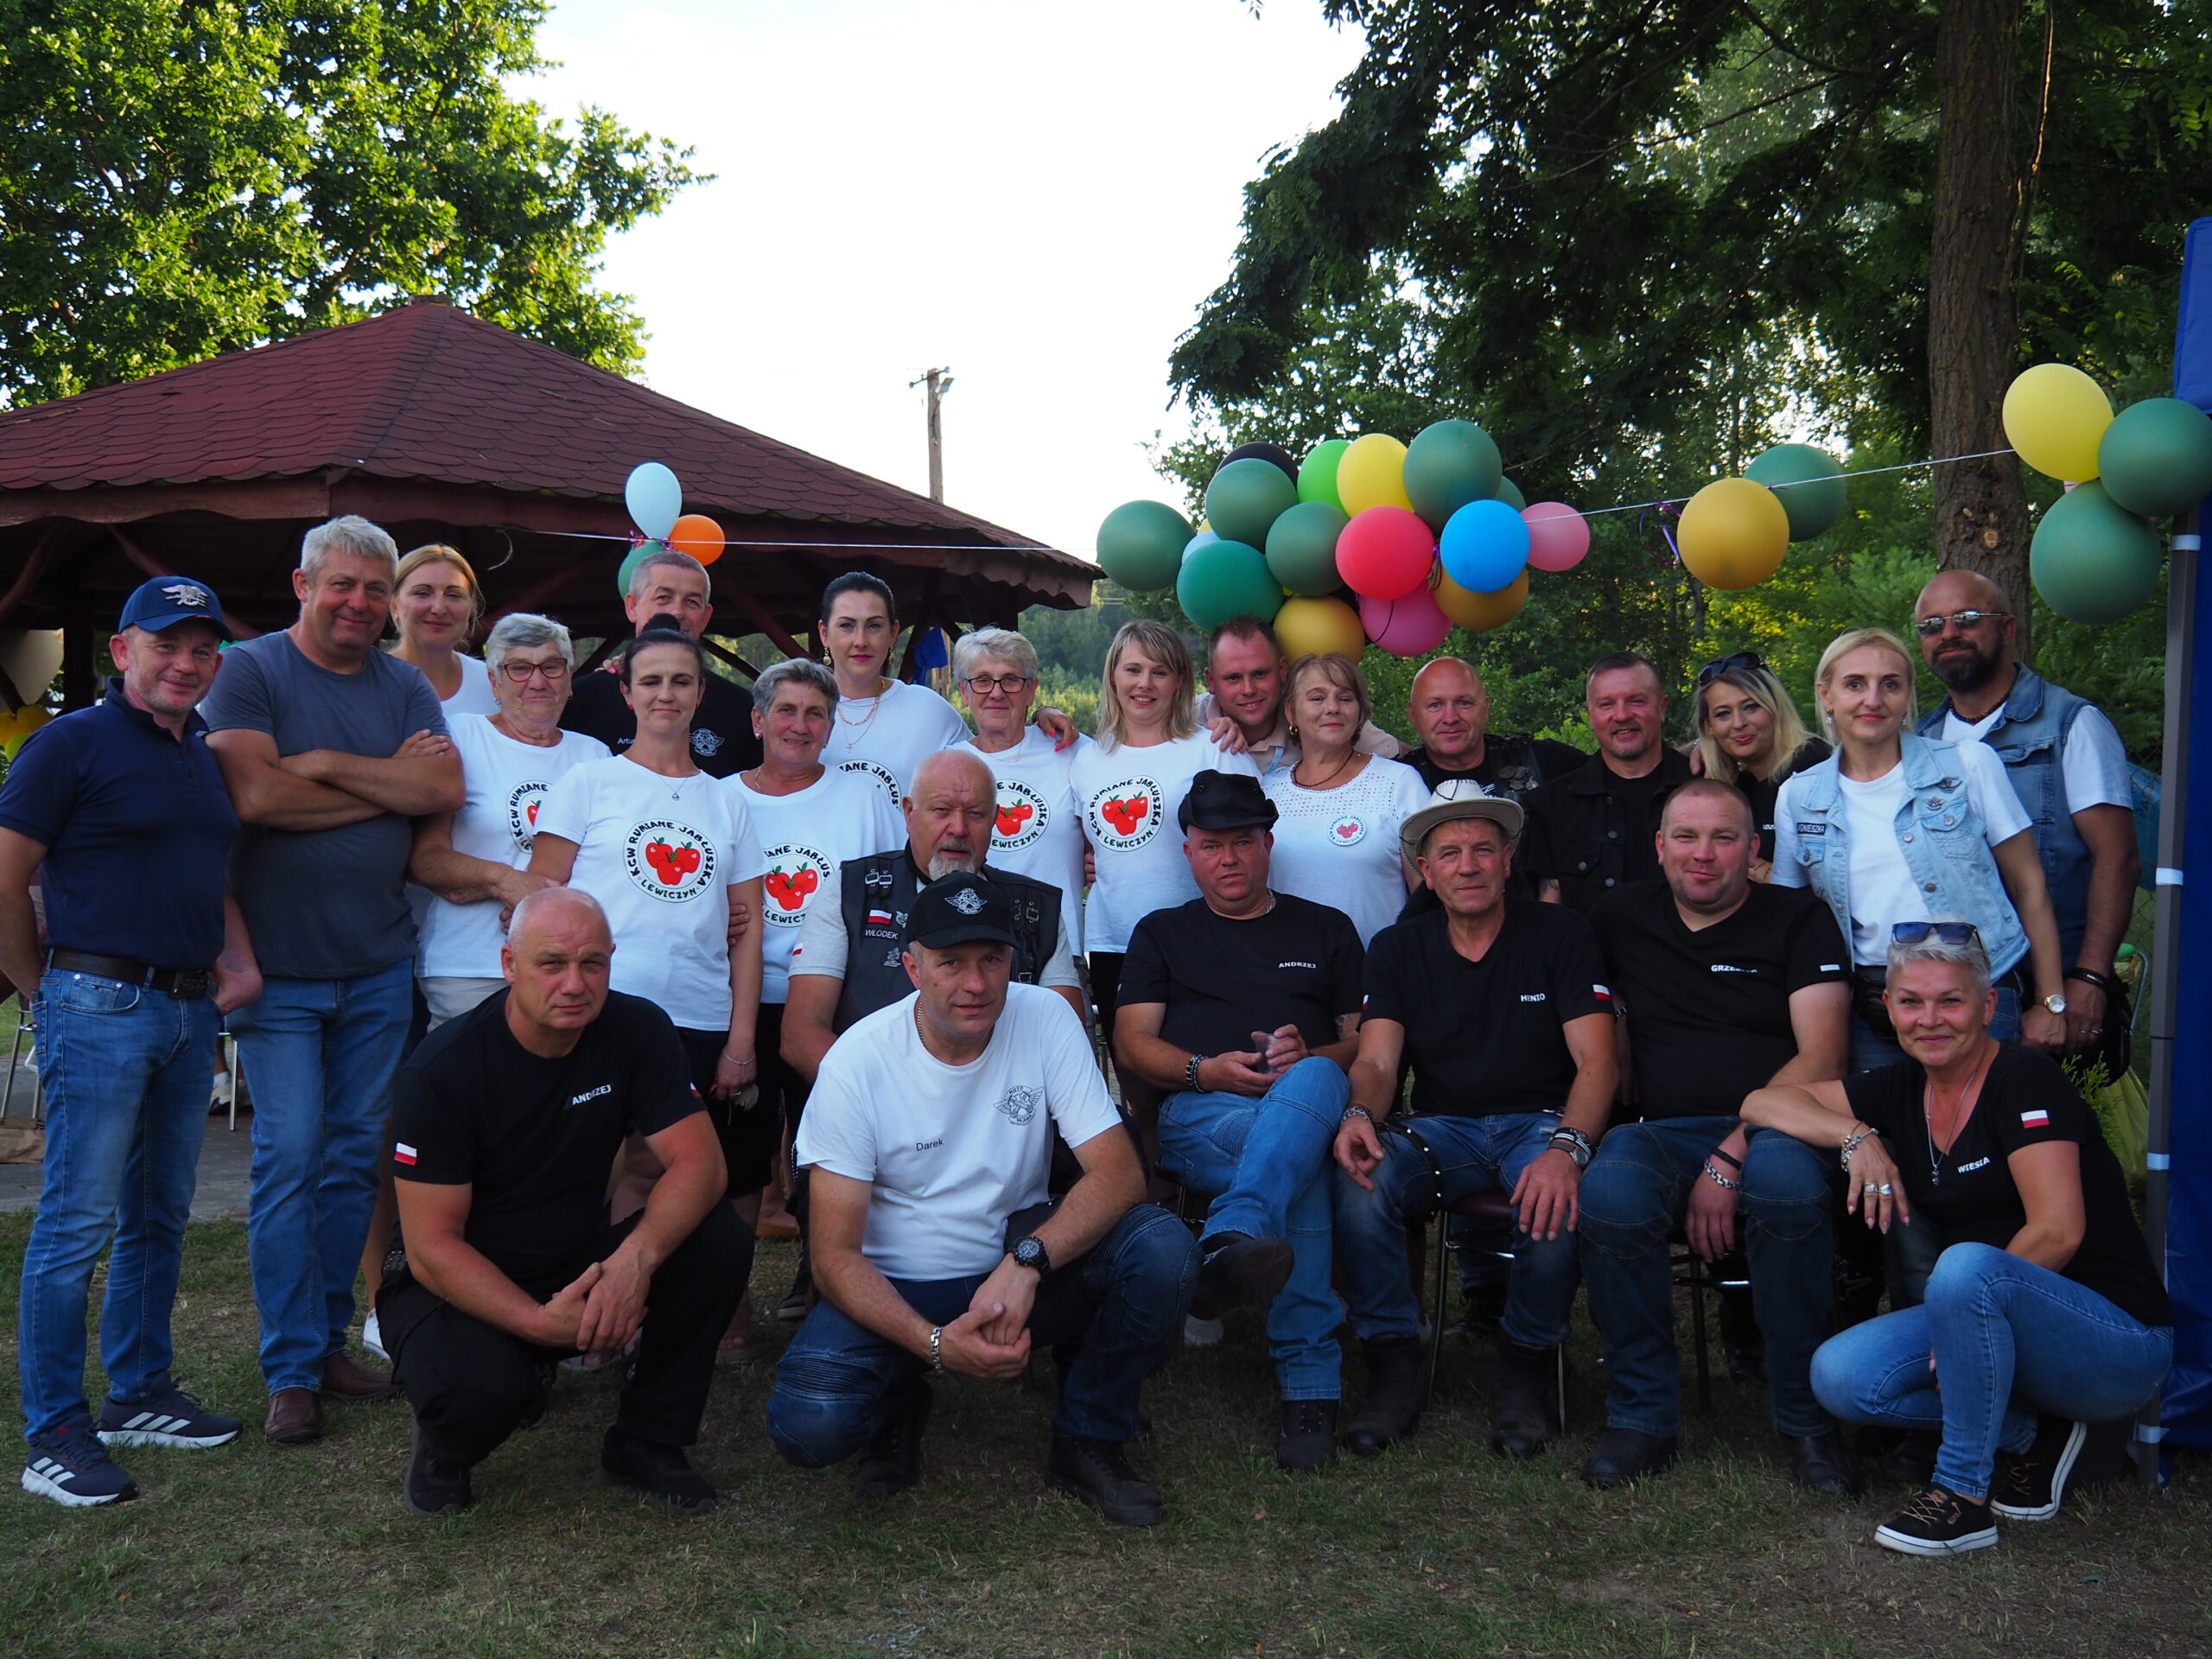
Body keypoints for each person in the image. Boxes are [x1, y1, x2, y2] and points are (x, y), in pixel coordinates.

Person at [766, 874, 1197, 1526]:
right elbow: (832, 1257)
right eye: (950, 963)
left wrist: (1027, 1262)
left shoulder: (1047, 1015)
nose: (975, 984)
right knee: (809, 1428)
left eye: (991, 960)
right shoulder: (857, 1062)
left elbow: (1118, 1174)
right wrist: (935, 1344)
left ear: (1014, 962)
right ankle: (901, 1388)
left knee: (1161, 1246)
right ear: (912, 967)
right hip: (897, 1283)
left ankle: (1089, 1434)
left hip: (1014, 1267)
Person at [1744, 926, 2172, 1556]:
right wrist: (1856, 1137)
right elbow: (1761, 1101)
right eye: (1911, 1002)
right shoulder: (1898, 1089)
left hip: (2114, 1342)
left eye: (1951, 1001)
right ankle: (2034, 1434)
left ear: (1988, 1008)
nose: (1930, 1020)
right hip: (1985, 1313)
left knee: (1965, 1267)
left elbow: (2058, 1230)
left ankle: (1962, 1498)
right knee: (1841, 1376)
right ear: (1887, 1008)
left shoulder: (2025, 1081)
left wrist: (1962, 1316)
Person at [201, 516, 465, 1445]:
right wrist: (379, 781)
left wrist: (317, 766)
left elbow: (439, 794)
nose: (357, 601)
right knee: (290, 1157)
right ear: (303, 584)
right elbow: (252, 796)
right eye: (339, 584)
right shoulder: (254, 670)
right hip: (277, 970)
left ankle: (324, 1347)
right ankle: (288, 1369)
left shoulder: (400, 683)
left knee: (355, 1160)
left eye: (371, 586)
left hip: (378, 963)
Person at [3, 577, 261, 1507]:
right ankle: (54, 1434)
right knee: (76, 1225)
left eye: (201, 650)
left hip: (191, 1009)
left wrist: (239, 962)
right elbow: (5, 878)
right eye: (166, 645)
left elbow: (204, 870)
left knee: (160, 1213)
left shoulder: (198, 751)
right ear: (122, 651)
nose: (184, 663)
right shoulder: (67, 744)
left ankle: (140, 1393)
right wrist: (44, 989)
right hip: (99, 1001)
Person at [379, 887, 752, 1517]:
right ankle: (447, 1444)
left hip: (573, 1257)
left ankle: (647, 1441)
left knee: (717, 1237)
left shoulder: (636, 1029)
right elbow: (432, 1248)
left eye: (593, 964)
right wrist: (533, 1324)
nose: (575, 984)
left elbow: (701, 1165)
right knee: (484, 1396)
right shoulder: (442, 1070)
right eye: (552, 964)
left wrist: (633, 1262)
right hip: (453, 1277)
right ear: (509, 965)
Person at [1576, 781, 1857, 1491]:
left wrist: (1732, 1151)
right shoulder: (1620, 916)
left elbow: (1823, 1056)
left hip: (1782, 1130)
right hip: (1663, 1134)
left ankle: (1807, 1422)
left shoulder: (1798, 918)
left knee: (1787, 1188)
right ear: (1660, 846)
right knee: (1610, 1187)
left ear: (1754, 849)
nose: (1704, 855)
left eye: (1724, 838)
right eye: (1687, 838)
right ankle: (1642, 1417)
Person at [1332, 780, 1618, 1459]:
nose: (1468, 866)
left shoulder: (1562, 933)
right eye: (1450, 853)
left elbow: (1598, 1063)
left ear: (1509, 860)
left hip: (1540, 1121)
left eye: (1484, 850)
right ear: (1424, 872)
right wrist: (1355, 1117)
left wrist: (1568, 1149)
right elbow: (1376, 1063)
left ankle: (1527, 1365)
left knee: (1553, 1197)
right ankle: (1392, 1362)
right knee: (1359, 1180)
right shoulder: (1398, 947)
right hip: (1441, 1128)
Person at [1113, 772, 1364, 1470]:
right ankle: (1308, 1385)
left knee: (1313, 1084)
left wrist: (1309, 1053)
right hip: (1201, 1113)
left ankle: (1236, 1232)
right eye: (1212, 845)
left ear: (1268, 845)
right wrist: (1207, 1070)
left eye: (1244, 843)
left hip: (1304, 1109)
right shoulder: (1163, 933)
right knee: (1302, 1152)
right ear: (1189, 852)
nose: (1229, 859)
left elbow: (1364, 1040)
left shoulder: (1327, 927)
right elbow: (1131, 1043)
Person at [529, 626, 766, 1315]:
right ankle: (566, 1307)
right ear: (627, 693)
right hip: (593, 1011)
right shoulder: (589, 782)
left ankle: (632, 1313)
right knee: (578, 1169)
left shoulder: (727, 802)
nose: (667, 694)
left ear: (700, 694)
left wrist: (741, 1039)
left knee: (656, 1168)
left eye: (682, 681)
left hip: (692, 1014)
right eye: (652, 680)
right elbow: (541, 896)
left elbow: (745, 933)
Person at [1770, 627, 2067, 1071]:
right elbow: (1789, 915)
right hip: (1871, 1002)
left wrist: (2051, 1000)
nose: (1873, 699)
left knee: (1976, 1133)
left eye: (1890, 684)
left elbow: (2029, 885)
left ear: (1908, 694)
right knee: (1885, 1134)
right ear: (1826, 696)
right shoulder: (1800, 796)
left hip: (1973, 991)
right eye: (1855, 684)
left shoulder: (1967, 765)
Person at [726, 658, 904, 1323]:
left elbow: (894, 885)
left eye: (815, 713)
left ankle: (821, 1277)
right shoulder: (723, 798)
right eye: (786, 711)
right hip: (742, 998)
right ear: (757, 720)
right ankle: (729, 1296)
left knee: (827, 1145)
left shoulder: (861, 797)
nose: (800, 726)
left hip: (832, 1001)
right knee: (739, 1153)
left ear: (831, 726)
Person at [1912, 570, 2139, 1055]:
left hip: (2049, 991)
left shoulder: (2071, 724)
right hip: (1951, 1002)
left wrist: (2088, 979)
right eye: (1931, 625)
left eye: (1967, 619)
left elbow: (2117, 861)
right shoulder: (1919, 744)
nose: (1948, 633)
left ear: (2008, 629)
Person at [780, 748, 1084, 1082]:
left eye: (976, 814)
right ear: (909, 813)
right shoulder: (851, 890)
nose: (958, 828)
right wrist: (892, 1107)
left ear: (995, 820)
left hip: (999, 1113)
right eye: (941, 811)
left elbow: (1065, 1040)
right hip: (872, 1110)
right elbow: (801, 1036)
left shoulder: (1037, 908)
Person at [410, 613, 609, 1028]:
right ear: (494, 682)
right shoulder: (458, 737)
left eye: (551, 667)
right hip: (470, 966)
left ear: (569, 679)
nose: (537, 681)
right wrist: (507, 882)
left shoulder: (594, 755)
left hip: (567, 969)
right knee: (469, 1088)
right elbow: (423, 860)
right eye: (519, 668)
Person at [1068, 620, 1258, 1036]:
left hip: (1202, 937)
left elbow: (1257, 851)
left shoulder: (1215, 750)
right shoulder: (1087, 761)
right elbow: (1089, 846)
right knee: (1133, 1069)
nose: (1144, 683)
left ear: (1179, 682)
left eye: (1159, 671)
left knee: (1203, 1066)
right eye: (1133, 670)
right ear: (1113, 677)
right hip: (1114, 939)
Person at [1259, 653, 1429, 944]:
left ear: (1360, 712)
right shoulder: (1267, 791)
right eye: (1316, 698)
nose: (1332, 708)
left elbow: (1428, 892)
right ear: (1291, 713)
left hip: (1378, 975)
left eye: (1345, 698)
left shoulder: (1398, 782)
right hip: (1286, 979)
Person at [560, 547, 762, 778]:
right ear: (632, 606)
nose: (677, 611)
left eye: (691, 602)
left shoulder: (739, 707)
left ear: (706, 617)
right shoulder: (582, 699)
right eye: (663, 598)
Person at [955, 627, 1090, 957]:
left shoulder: (1072, 750)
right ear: (963, 691)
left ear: (1032, 691)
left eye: (1011, 680)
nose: (997, 693)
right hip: (973, 947)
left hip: (1060, 950)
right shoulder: (949, 764)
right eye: (982, 680)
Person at [1526, 652, 1694, 913]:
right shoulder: (1552, 806)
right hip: (1590, 954)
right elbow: (1549, 918)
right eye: (1606, 704)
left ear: (1662, 708)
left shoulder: (1706, 791)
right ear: (1590, 714)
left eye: (1636, 701)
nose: (1622, 715)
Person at [817, 570, 973, 805]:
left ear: (893, 633)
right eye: (847, 626)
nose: (860, 640)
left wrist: (1039, 721)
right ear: (824, 634)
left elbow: (997, 762)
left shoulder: (928, 711)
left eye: (874, 626)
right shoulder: (800, 715)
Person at [1198, 615, 1399, 774]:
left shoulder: (1314, 712)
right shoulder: (1185, 721)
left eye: (1260, 674)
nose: (1248, 689)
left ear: (1282, 670)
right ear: (1211, 681)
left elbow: (1403, 756)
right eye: (1233, 678)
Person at [1689, 651, 1829, 875]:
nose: (1738, 723)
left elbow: (1824, 878)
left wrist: (1749, 867)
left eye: (1751, 707)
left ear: (1775, 708)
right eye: (1723, 714)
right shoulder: (1737, 784)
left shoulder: (1814, 765)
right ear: (1710, 728)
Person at [1399, 656, 1586, 801]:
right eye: (1435, 705)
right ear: (1413, 715)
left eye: (1463, 703)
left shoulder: (1541, 760)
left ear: (1485, 710)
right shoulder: (1392, 783)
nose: (1450, 718)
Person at [389, 543, 499, 718]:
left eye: (454, 595)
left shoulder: (495, 686)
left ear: (471, 607)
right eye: (423, 593)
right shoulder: (367, 684)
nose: (439, 609)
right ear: (394, 605)